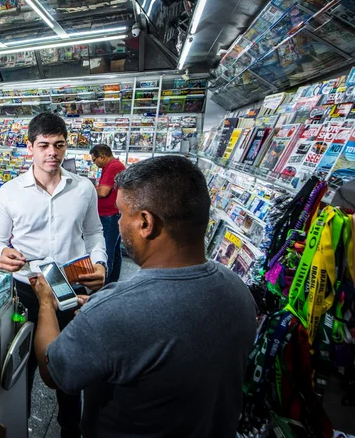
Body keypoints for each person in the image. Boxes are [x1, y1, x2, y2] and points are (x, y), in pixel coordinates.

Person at [31, 155, 257, 438]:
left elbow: (53, 372)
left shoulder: (115, 313)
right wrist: (103, 312)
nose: (119, 221)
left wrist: (46, 303)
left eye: (122, 213)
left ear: (146, 222)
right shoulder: (238, 291)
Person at [0, 112, 107, 438]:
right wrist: (0, 253)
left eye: (58, 145)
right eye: (43, 145)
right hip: (26, 289)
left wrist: (101, 264)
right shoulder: (10, 192)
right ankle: (19, 425)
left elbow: (94, 233)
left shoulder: (83, 189)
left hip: (73, 287)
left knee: (70, 366)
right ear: (30, 147)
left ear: (66, 147)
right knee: (23, 364)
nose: (51, 152)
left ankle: (71, 430)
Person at [90, 144, 126, 283]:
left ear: (102, 156)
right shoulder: (112, 166)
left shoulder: (112, 167)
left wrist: (88, 189)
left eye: (95, 160)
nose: (95, 164)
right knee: (115, 251)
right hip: (113, 214)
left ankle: (105, 287)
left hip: (109, 216)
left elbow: (103, 192)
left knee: (106, 252)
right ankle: (112, 282)